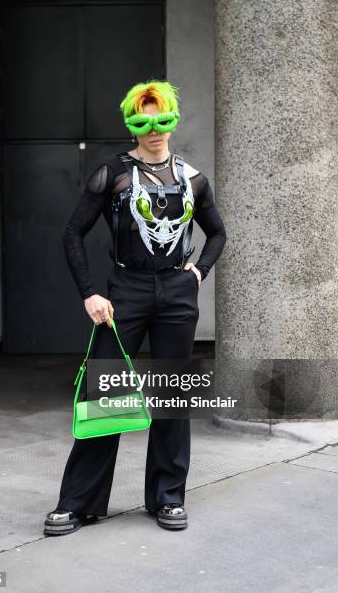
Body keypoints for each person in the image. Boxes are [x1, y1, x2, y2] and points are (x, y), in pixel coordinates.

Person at [43, 80, 227, 536]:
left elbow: (218, 232)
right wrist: (89, 292)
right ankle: (77, 503)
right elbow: (72, 233)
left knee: (171, 396)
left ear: (174, 120)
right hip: (124, 290)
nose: (154, 130)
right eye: (144, 122)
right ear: (131, 125)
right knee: (106, 394)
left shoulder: (194, 178)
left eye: (163, 119)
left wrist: (199, 271)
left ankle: (167, 497)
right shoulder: (113, 174)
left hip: (177, 293)